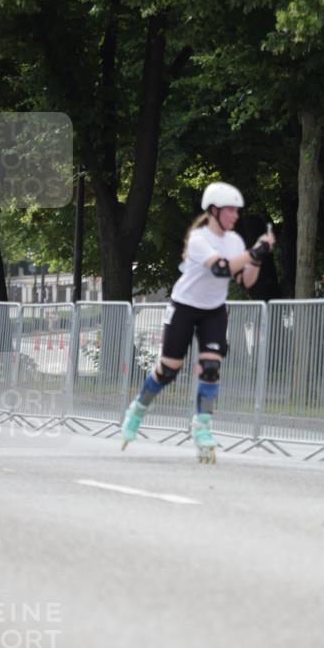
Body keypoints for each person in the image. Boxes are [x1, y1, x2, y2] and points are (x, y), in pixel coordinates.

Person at [121, 182, 275, 461]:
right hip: (184, 307)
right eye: (230, 211)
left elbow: (245, 280)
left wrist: (258, 259)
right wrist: (253, 253)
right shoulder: (199, 239)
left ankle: (202, 426)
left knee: (211, 367)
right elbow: (220, 269)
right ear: (214, 211)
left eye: (237, 211)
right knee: (169, 370)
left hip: (213, 310)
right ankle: (138, 408)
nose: (235, 216)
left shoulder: (235, 242)